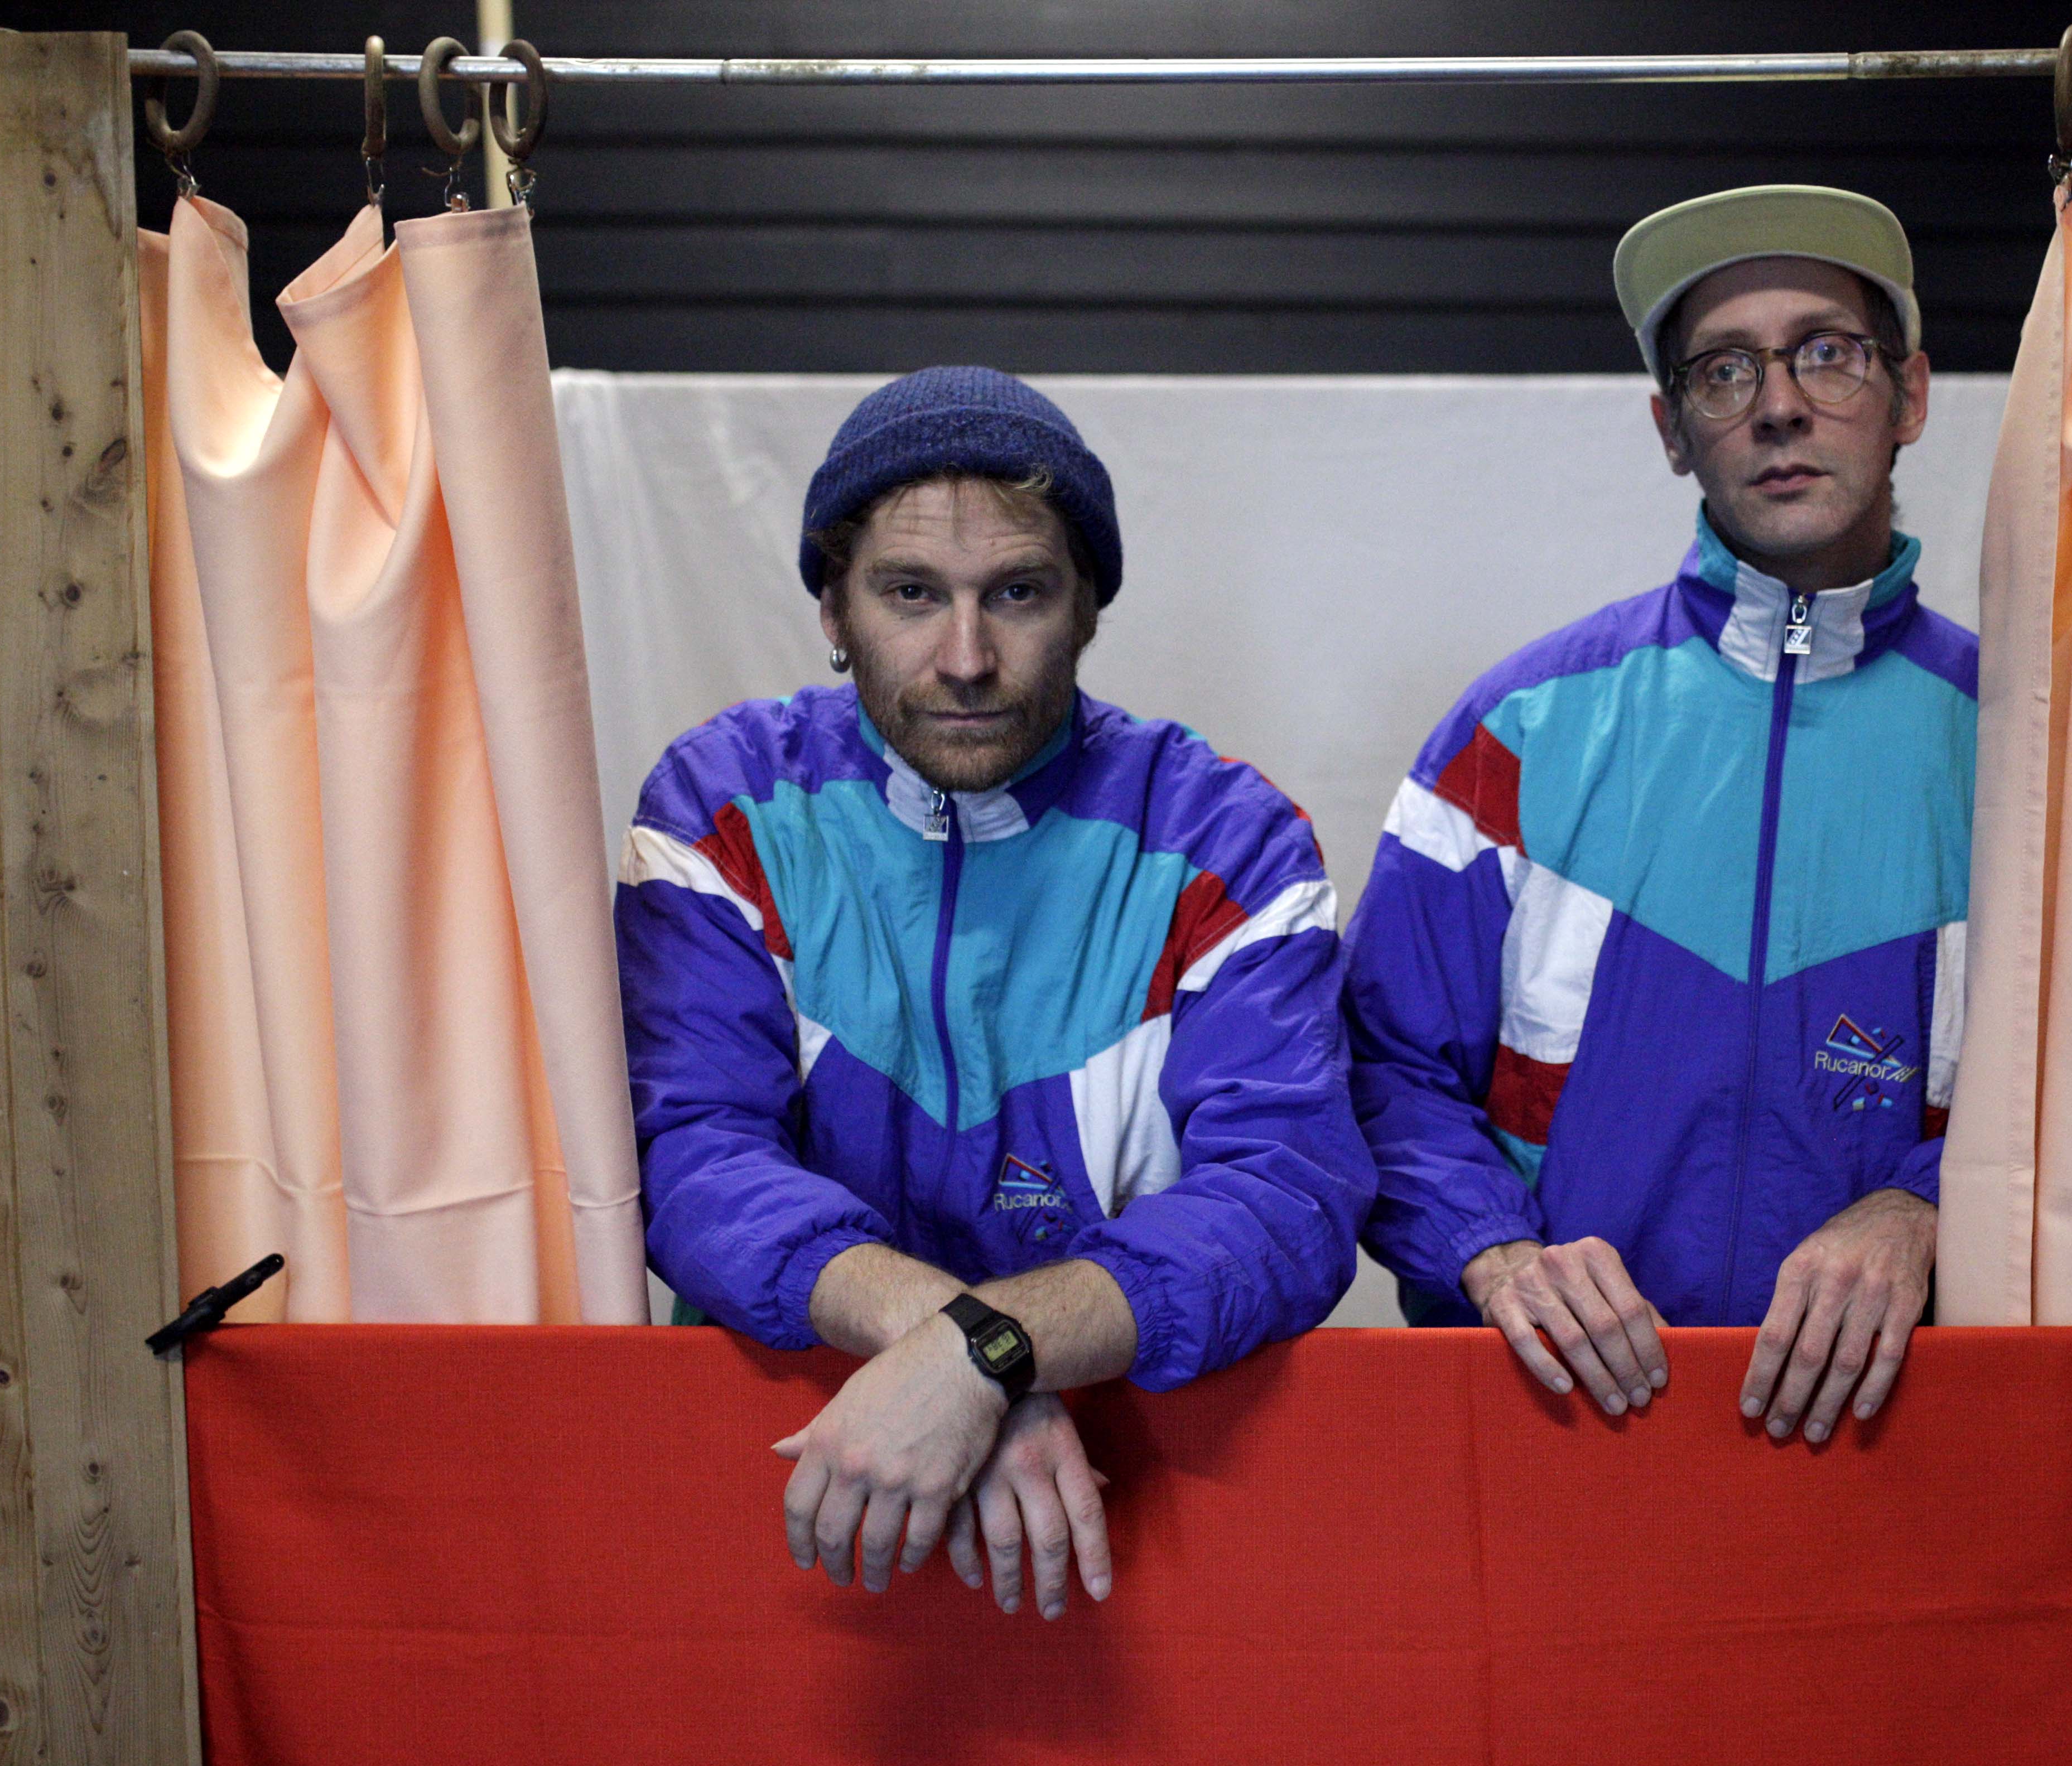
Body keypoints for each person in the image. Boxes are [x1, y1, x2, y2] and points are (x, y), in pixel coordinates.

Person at [617, 368, 1370, 1619]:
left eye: (1017, 593)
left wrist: (978, 1360)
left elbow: (1286, 1198)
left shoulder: (1229, 840)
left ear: (1087, 608)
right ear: (832, 607)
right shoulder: (722, 805)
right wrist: (976, 1354)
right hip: (790, 1485)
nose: (966, 658)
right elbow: (690, 1155)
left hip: (1131, 1508)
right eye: (911, 593)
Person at [1346, 186, 1973, 1449]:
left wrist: (1931, 1208)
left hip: (1904, 1441)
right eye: (1723, 370)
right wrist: (1494, 1252)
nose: (1778, 404)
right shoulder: (1513, 733)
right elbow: (1378, 1067)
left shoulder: (2028, 753)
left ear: (1909, 396)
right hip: (1559, 1436)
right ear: (1672, 430)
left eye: (1827, 353)